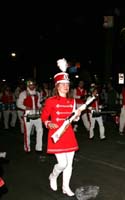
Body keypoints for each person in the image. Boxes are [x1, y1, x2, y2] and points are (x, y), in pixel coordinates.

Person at [41, 58, 82, 197]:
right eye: (62, 84)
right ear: (57, 86)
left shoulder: (72, 101)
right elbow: (44, 116)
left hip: (69, 134)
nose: (65, 86)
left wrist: (77, 115)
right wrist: (48, 123)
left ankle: (65, 187)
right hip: (56, 134)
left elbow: (74, 119)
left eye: (67, 84)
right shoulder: (50, 101)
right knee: (62, 163)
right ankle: (53, 176)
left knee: (69, 164)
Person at [16, 79, 43, 153]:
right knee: (27, 132)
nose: (32, 86)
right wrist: (25, 107)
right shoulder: (23, 93)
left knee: (40, 131)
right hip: (28, 115)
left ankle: (39, 148)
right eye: (30, 85)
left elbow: (38, 104)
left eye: (33, 84)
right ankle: (27, 148)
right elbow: (18, 104)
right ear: (27, 85)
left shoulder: (37, 93)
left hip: (37, 114)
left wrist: (41, 106)